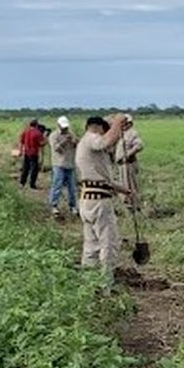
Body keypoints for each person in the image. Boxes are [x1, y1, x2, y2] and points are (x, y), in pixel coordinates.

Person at [74, 114, 129, 278]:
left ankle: (89, 280)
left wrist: (122, 189)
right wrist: (117, 123)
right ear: (97, 127)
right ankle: (107, 283)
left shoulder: (84, 145)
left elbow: (99, 177)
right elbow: (105, 141)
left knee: (91, 245)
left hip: (88, 198)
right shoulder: (92, 137)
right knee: (108, 243)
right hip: (98, 201)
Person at [47, 116, 78, 220]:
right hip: (58, 164)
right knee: (57, 185)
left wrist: (74, 142)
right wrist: (65, 141)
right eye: (63, 127)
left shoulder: (71, 134)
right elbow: (56, 149)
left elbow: (76, 145)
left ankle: (73, 206)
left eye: (66, 127)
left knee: (72, 187)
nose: (65, 129)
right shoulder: (53, 136)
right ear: (58, 125)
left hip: (70, 164)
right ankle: (54, 205)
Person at [113, 113, 145, 210]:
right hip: (122, 165)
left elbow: (139, 145)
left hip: (129, 164)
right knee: (123, 184)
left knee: (130, 185)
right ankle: (128, 204)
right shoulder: (122, 134)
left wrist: (128, 154)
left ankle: (135, 206)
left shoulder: (132, 133)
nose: (123, 125)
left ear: (130, 124)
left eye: (125, 123)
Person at [17, 118, 46, 192]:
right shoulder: (38, 133)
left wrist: (20, 151)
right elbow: (41, 144)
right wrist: (46, 140)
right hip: (34, 153)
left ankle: (22, 182)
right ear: (36, 125)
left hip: (26, 152)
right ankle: (32, 184)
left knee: (25, 168)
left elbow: (21, 142)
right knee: (34, 169)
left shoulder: (25, 132)